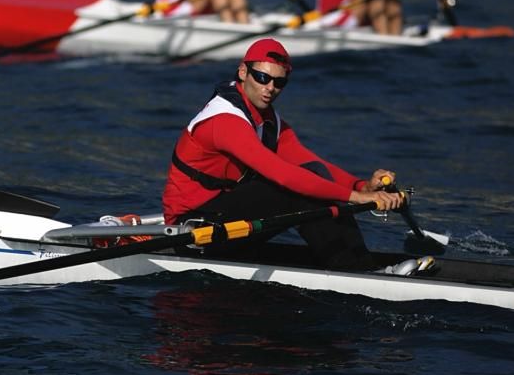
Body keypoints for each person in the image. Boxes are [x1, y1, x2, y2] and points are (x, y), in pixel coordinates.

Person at [162, 37, 404, 270]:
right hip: (193, 233)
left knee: (314, 173)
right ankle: (358, 271)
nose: (270, 88)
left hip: (225, 219)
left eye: (279, 82)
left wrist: (361, 186)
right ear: (243, 72)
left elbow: (309, 161)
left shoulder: (267, 119)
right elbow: (285, 176)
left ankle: (356, 265)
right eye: (262, 77)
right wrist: (354, 197)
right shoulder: (225, 121)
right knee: (294, 188)